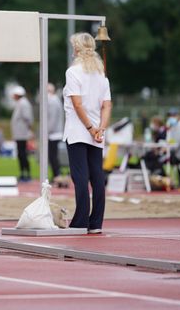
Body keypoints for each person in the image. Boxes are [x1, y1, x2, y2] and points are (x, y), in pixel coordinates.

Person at [63, 32, 112, 234]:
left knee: (81, 177)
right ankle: (96, 222)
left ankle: (81, 220)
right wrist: (100, 128)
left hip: (78, 130)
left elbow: (77, 103)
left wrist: (91, 128)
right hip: (96, 132)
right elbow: (107, 106)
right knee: (97, 177)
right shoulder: (102, 75)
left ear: (76, 49)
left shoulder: (73, 72)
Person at [10, 85, 34, 182]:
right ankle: (23, 173)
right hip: (19, 133)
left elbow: (27, 118)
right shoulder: (20, 103)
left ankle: (26, 174)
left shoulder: (23, 103)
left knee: (23, 154)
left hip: (22, 134)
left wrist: (28, 131)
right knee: (21, 154)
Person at [47, 83, 64, 179]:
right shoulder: (55, 100)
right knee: (53, 156)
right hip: (55, 132)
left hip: (54, 133)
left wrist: (47, 131)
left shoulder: (52, 101)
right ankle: (56, 174)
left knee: (53, 156)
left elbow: (52, 119)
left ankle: (57, 175)